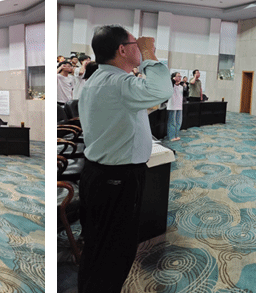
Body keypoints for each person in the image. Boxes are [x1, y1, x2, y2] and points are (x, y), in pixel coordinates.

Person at [77, 25, 172, 293]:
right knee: (115, 252)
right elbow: (162, 89)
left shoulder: (98, 79)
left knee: (98, 247)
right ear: (122, 50)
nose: (139, 48)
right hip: (117, 179)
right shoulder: (118, 83)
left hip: (99, 174)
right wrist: (149, 52)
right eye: (135, 44)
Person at [166, 72, 184, 142]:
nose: (180, 78)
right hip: (172, 106)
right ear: (174, 77)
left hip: (179, 106)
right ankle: (171, 136)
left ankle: (176, 135)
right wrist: (173, 80)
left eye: (180, 76)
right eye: (178, 76)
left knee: (178, 122)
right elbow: (171, 83)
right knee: (172, 122)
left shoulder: (181, 86)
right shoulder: (171, 85)